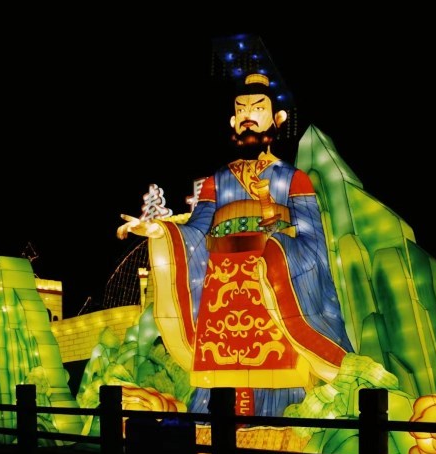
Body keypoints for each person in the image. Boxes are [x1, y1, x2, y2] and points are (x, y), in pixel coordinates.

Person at [117, 73, 353, 416]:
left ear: (277, 119)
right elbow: (197, 231)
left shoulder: (293, 179)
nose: (248, 116)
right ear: (232, 121)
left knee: (276, 369)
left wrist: (277, 223)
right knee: (220, 373)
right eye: (241, 110)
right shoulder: (218, 181)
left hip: (271, 283)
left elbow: (312, 237)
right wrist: (159, 230)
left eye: (257, 109)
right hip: (223, 289)